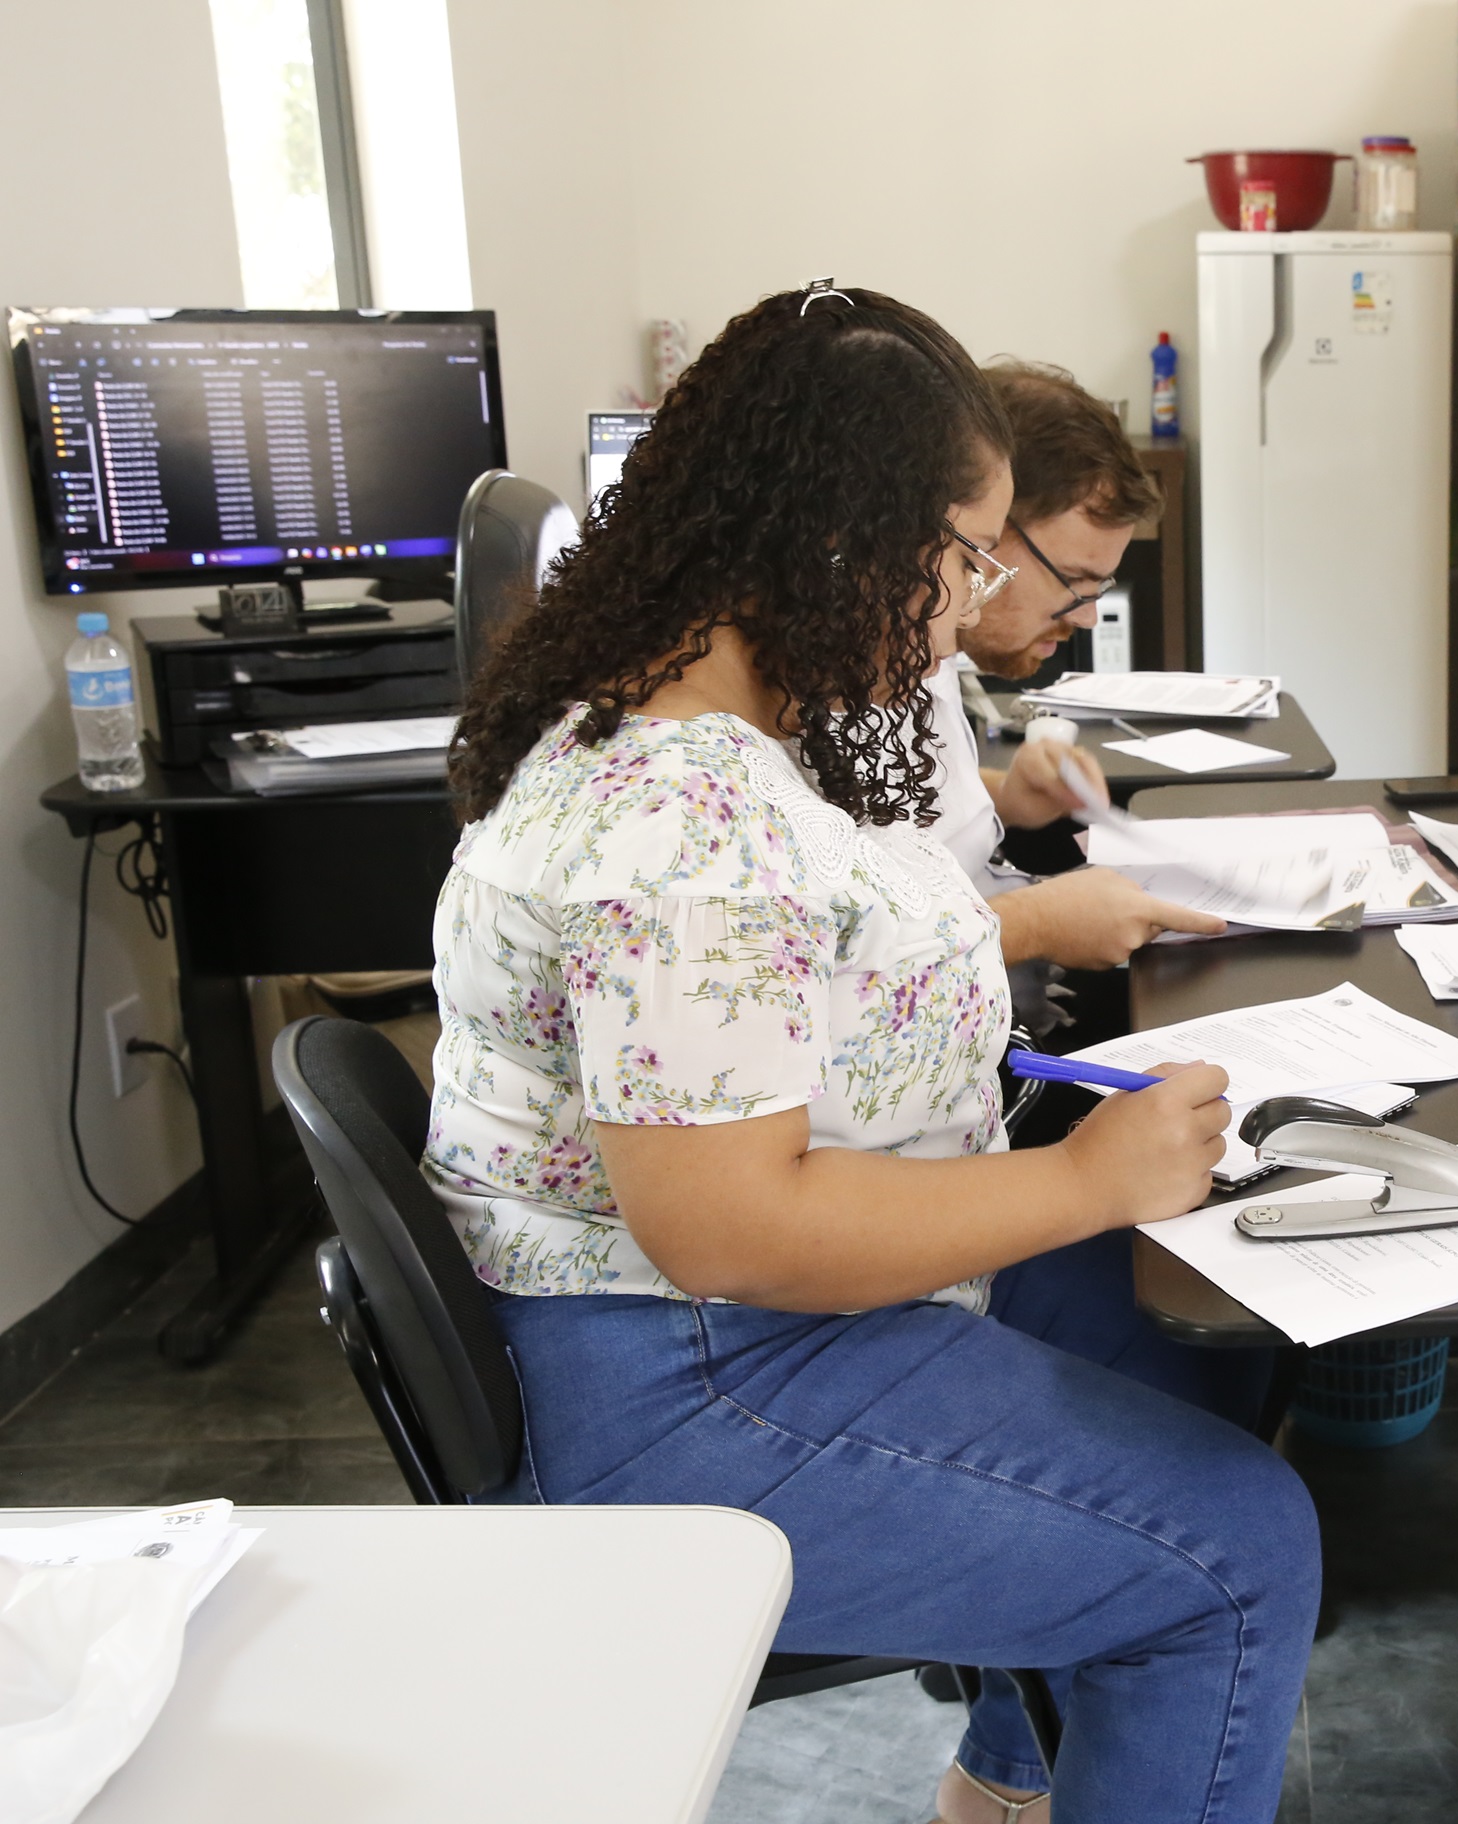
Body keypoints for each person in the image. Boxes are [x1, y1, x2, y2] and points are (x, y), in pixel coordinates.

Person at [432, 284, 1316, 1824]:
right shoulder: (685, 819)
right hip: (699, 1381)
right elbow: (734, 1228)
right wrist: (1096, 1179)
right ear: (849, 540)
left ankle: (1012, 1779)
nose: (964, 599)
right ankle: (1038, 1760)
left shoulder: (706, 726)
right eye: (968, 555)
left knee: (1163, 1334)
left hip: (724, 1330)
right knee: (1238, 1558)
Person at [896, 360, 1224, 972]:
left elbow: (909, 810)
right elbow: (850, 957)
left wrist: (1008, 797)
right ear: (982, 525)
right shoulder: (852, 677)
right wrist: (1041, 923)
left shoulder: (935, 648)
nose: (1088, 618)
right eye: (1074, 582)